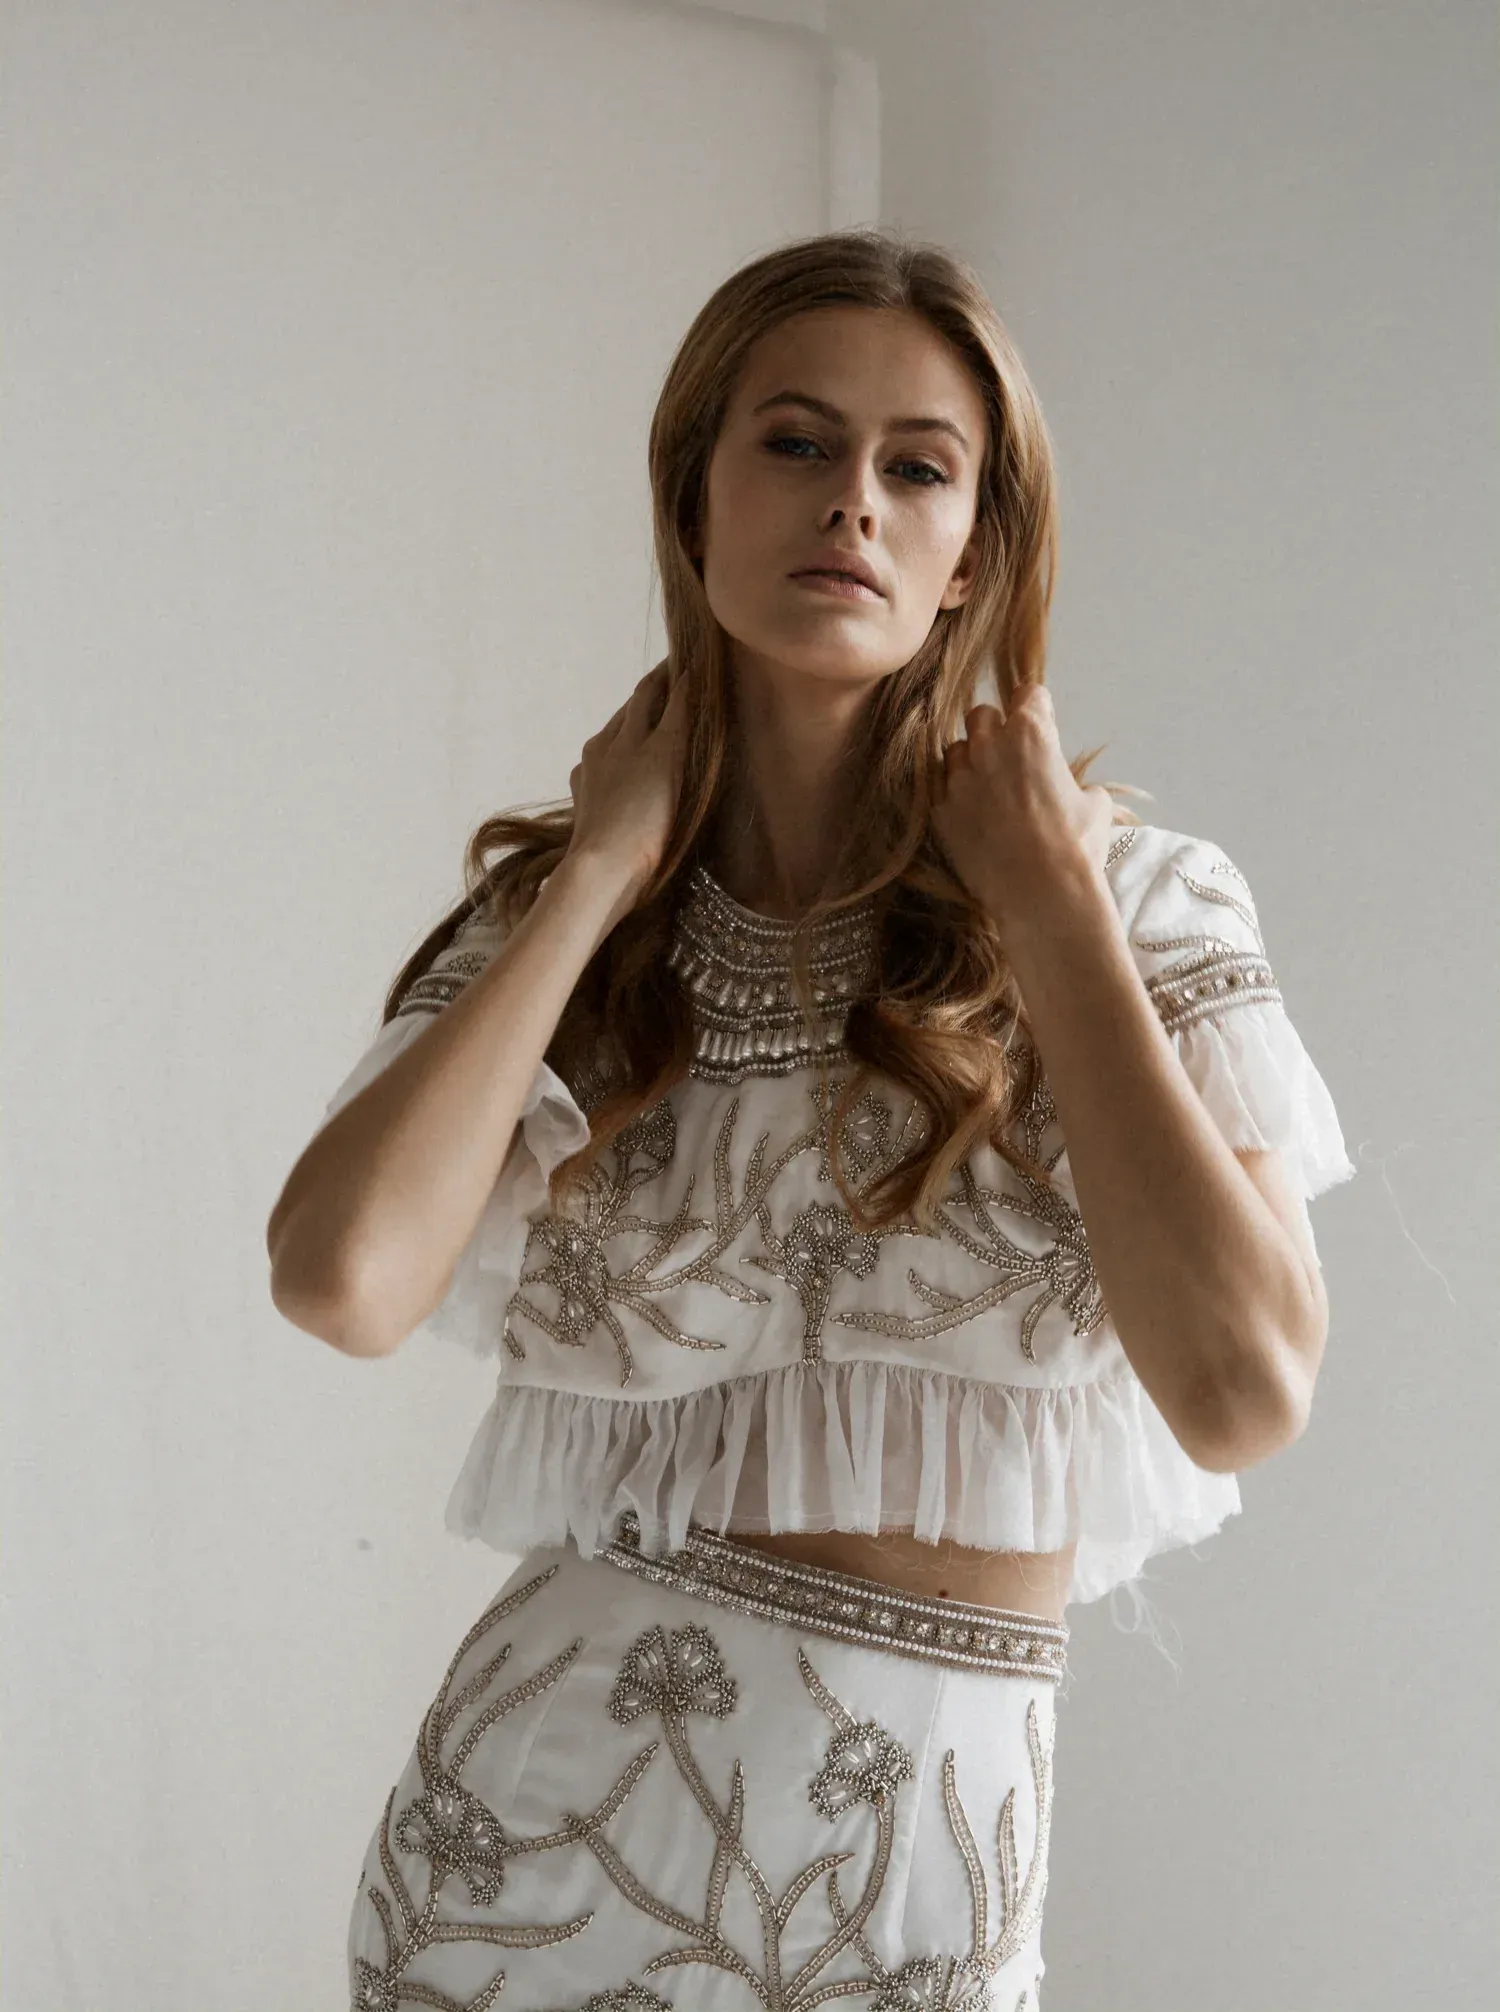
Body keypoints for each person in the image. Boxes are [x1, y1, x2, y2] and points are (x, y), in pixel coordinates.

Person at [268, 228, 1354, 2012]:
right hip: (537, 1848)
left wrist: (1053, 911)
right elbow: (340, 1279)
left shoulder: (1140, 903)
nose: (851, 498)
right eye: (791, 441)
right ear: (692, 502)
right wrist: (605, 858)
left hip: (911, 1864)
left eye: (917, 466)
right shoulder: (575, 926)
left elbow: (1245, 1386)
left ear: (973, 555)